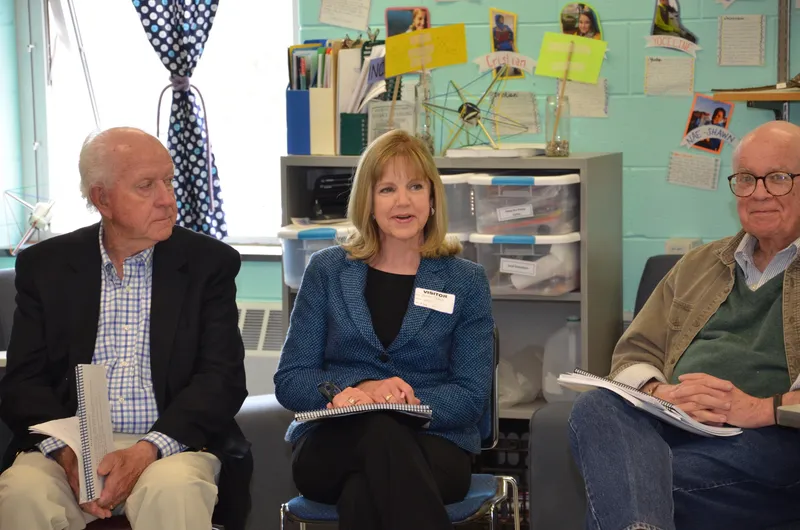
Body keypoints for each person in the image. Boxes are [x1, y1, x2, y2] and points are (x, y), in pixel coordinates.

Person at [0, 127, 251, 530]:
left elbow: (221, 379)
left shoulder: (208, 264)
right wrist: (66, 453)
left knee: (174, 490)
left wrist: (147, 450)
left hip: (173, 444)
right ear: (102, 199)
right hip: (70, 447)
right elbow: (23, 383)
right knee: (23, 492)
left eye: (168, 181)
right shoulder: (47, 267)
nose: (167, 199)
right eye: (146, 186)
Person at [568, 120, 800, 530]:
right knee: (597, 406)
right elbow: (633, 353)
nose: (759, 192)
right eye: (746, 179)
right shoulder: (699, 264)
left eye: (779, 178)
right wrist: (665, 393)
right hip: (679, 425)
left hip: (774, 439)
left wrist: (758, 409)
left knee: (624, 479)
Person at [274, 129, 495, 530]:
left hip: (436, 443)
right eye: (388, 189)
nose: (404, 201)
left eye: (415, 186)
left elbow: (470, 396)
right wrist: (355, 391)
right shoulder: (327, 270)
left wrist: (401, 403)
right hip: (333, 444)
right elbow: (291, 379)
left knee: (363, 490)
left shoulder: (465, 282)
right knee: (376, 433)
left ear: (432, 198)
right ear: (368, 201)